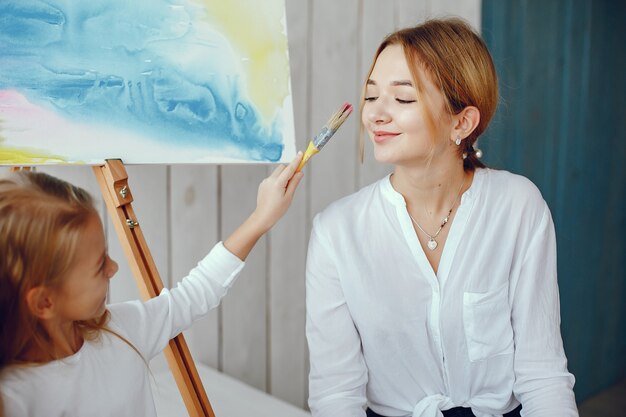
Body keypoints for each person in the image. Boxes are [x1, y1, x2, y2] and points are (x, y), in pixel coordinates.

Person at [305, 18, 578, 417]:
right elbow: (335, 395)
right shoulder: (337, 232)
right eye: (370, 96)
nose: (376, 115)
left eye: (402, 99)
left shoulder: (518, 206)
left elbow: (543, 374)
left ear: (462, 122)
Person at [0, 152, 304, 416]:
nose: (114, 267)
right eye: (98, 266)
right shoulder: (16, 399)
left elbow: (193, 295)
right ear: (44, 302)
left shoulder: (118, 331)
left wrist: (261, 218)